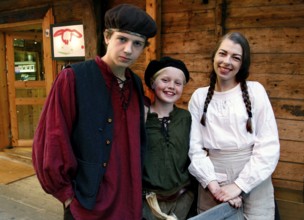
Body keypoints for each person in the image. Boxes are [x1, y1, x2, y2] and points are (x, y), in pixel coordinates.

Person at [32, 4, 157, 220]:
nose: (128, 49)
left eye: (137, 43)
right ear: (107, 37)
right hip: (87, 204)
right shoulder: (73, 78)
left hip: (128, 201)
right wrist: (67, 195)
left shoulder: (134, 84)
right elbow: (52, 140)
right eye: (122, 39)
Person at [188, 32, 280, 219]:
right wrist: (214, 186)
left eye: (235, 57)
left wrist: (239, 185)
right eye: (222, 54)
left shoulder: (255, 91)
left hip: (254, 174)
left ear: (242, 64)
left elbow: (268, 145)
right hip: (213, 176)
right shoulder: (199, 96)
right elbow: (193, 148)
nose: (227, 61)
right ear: (214, 55)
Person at [142, 57, 196, 220]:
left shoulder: (186, 118)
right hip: (148, 201)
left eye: (178, 83)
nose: (171, 86)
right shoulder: (141, 117)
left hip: (183, 198)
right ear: (152, 83)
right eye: (165, 80)